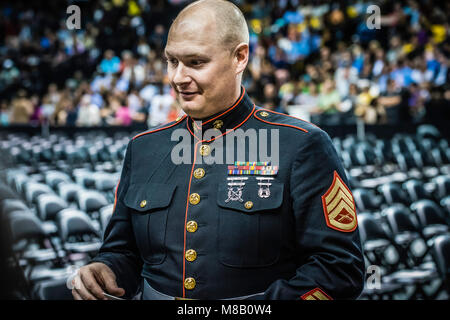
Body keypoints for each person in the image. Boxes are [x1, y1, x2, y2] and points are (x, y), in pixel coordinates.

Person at [72, 0, 364, 300]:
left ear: (239, 57)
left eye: (196, 62)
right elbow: (124, 251)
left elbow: (340, 269)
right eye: (172, 61)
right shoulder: (143, 148)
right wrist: (104, 269)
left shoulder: (300, 145)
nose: (177, 77)